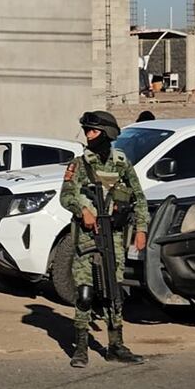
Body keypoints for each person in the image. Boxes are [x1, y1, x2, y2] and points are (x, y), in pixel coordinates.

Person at [60, 111, 149, 368]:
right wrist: (83, 210)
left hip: (116, 238)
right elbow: (66, 196)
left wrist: (141, 229)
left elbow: (139, 198)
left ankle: (116, 345)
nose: (88, 135)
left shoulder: (121, 163)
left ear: (107, 134)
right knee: (85, 293)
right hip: (87, 239)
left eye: (93, 131)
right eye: (86, 130)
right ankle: (80, 348)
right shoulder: (78, 164)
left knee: (114, 291)